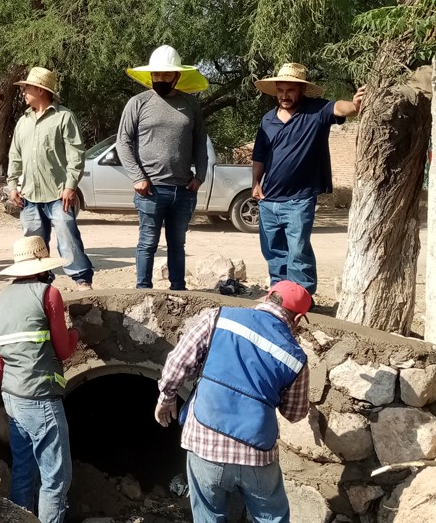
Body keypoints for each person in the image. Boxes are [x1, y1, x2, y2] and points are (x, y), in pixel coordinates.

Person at [154, 280, 313, 523]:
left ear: (266, 297)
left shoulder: (219, 318)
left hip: (205, 442)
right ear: (299, 319)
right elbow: (294, 413)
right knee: (271, 518)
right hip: (256, 452)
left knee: (208, 515)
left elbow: (179, 362)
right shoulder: (296, 357)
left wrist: (166, 397)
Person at [251, 63, 365, 294]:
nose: (285, 95)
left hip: (299, 200)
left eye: (290, 90)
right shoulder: (267, 120)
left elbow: (340, 109)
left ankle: (302, 299)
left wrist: (354, 106)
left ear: (301, 90)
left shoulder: (316, 111)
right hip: (269, 200)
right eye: (280, 90)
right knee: (274, 253)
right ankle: (279, 296)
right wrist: (255, 183)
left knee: (298, 252)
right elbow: (259, 156)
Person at [0, 236, 79, 523]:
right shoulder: (48, 294)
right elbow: (63, 350)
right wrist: (76, 334)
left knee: (24, 471)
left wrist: (13, 386)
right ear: (43, 266)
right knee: (56, 479)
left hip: (12, 397)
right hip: (41, 399)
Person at [117, 45, 210, 291]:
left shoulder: (190, 104)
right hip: (150, 190)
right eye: (156, 75)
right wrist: (137, 177)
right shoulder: (137, 103)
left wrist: (200, 176)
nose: (160, 79)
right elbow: (123, 142)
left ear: (177, 76)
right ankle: (143, 290)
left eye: (166, 75)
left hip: (183, 189)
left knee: (177, 244)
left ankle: (178, 289)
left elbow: (200, 141)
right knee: (147, 242)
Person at [7, 67, 95, 291]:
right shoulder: (23, 122)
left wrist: (70, 186)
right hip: (29, 195)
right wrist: (12, 185)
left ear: (40, 90)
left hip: (58, 194)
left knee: (67, 235)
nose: (24, 92)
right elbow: (15, 155)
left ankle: (81, 279)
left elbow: (76, 154)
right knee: (33, 242)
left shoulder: (64, 117)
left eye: (27, 87)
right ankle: (37, 282)